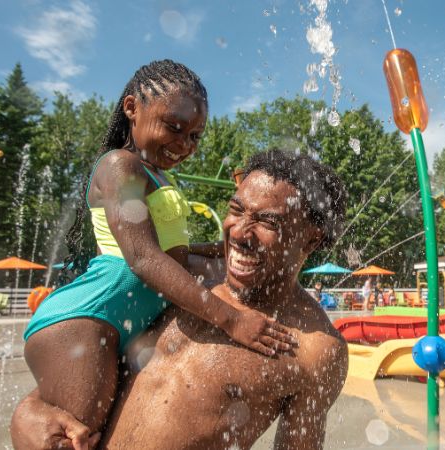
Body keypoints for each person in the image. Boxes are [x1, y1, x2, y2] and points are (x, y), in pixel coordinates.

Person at [15, 61, 295, 445]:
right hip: (87, 319)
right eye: (174, 127)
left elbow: (173, 252)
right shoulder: (120, 166)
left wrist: (235, 248)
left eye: (195, 136)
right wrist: (232, 320)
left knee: (99, 427)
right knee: (82, 438)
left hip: (114, 322)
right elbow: (144, 257)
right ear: (132, 107)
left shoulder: (160, 176)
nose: (184, 144)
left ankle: (31, 411)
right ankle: (26, 415)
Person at [11, 149, 349, 449]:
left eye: (267, 222)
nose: (238, 232)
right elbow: (69, 382)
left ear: (310, 239)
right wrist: (30, 418)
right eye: (236, 209)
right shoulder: (179, 280)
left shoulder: (315, 349)